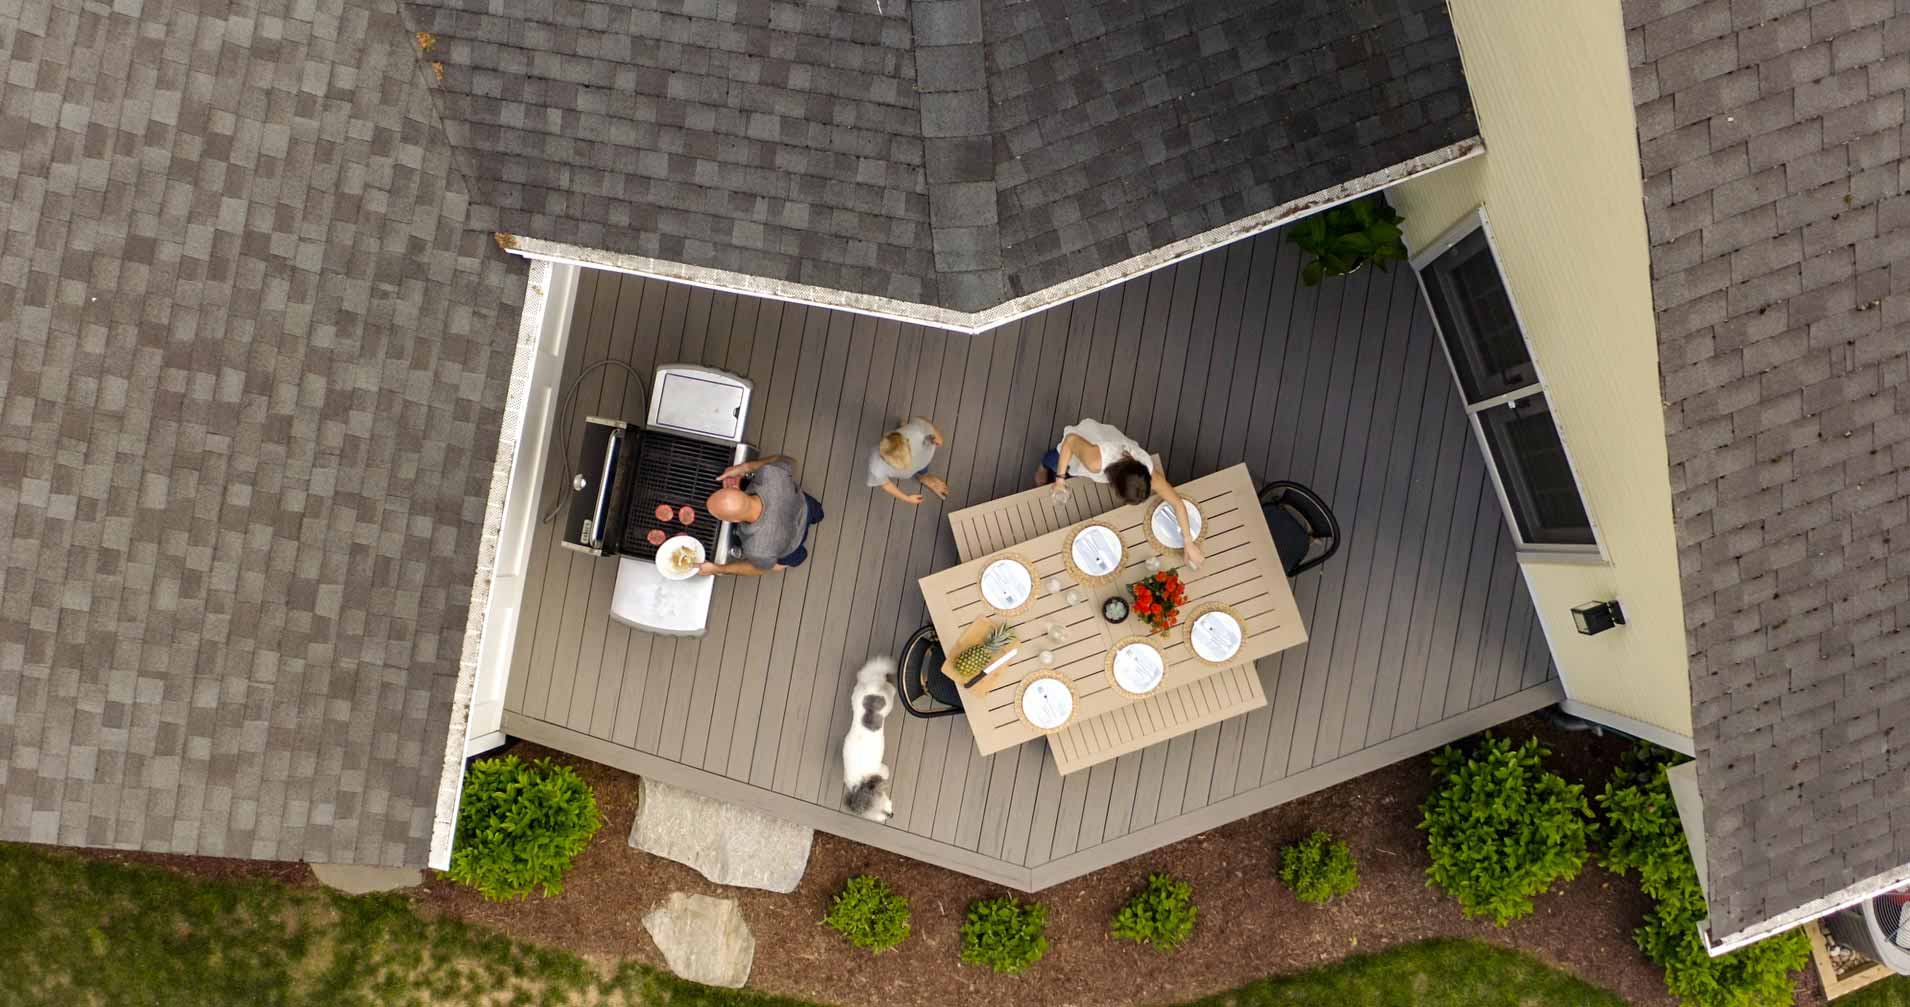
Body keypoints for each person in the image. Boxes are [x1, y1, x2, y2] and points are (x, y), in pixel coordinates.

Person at [1036, 419, 1204, 565]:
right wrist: (1059, 480)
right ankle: (1042, 467)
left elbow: (1177, 503)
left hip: (1109, 442)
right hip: (1081, 446)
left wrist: (1188, 542)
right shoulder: (1094, 462)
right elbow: (1071, 441)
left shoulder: (1146, 472)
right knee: (1053, 459)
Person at [698, 454, 822, 576]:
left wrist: (718, 568)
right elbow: (789, 460)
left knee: (778, 564)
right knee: (817, 512)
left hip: (792, 545)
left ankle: (799, 556)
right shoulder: (770, 473)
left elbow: (760, 569)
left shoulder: (757, 549)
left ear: (735, 520)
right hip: (803, 505)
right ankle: (818, 515)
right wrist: (745, 468)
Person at [866, 417, 950, 505]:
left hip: (922, 455)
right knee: (918, 467)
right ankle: (923, 477)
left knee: (922, 466)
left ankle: (924, 476)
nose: (909, 466)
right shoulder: (876, 467)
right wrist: (907, 498)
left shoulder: (916, 431)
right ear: (885, 461)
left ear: (907, 441)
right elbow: (886, 484)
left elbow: (923, 422)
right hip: (918, 455)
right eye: (902, 466)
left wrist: (936, 435)